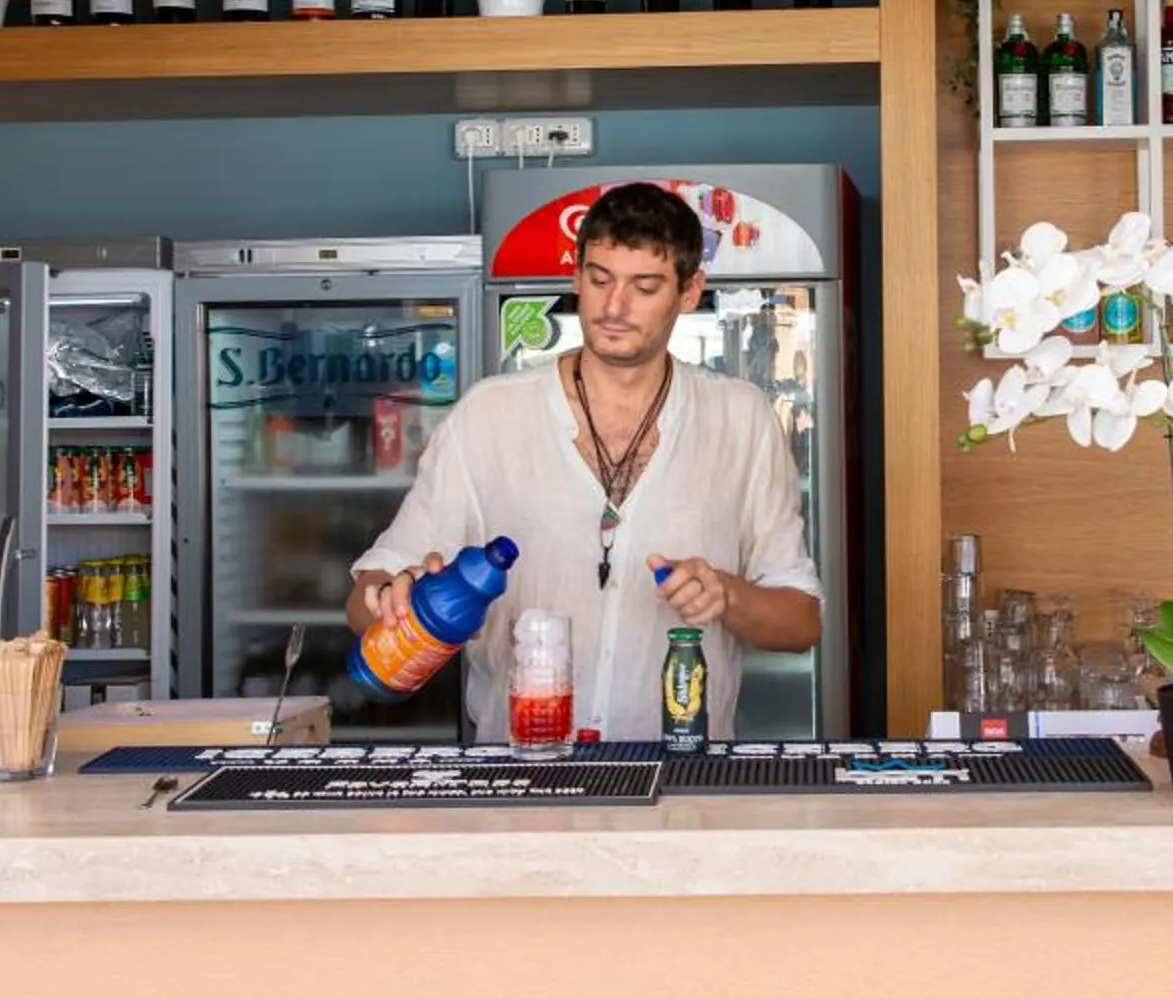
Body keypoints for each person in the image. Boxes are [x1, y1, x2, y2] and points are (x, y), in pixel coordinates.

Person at [349, 182, 821, 741]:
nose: (614, 308)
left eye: (644, 287)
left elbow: (800, 622)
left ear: (690, 291)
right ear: (576, 278)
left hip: (683, 780)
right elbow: (368, 596)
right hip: (521, 779)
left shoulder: (741, 421)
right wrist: (393, 598)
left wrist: (726, 593)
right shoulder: (489, 415)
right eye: (599, 281)